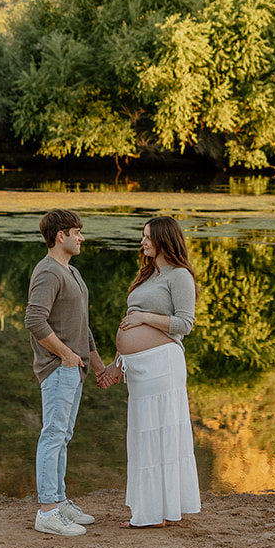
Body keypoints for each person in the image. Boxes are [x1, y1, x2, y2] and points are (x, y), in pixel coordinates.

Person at [100, 215, 201, 528]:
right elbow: (130, 322)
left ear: (163, 240)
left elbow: (184, 324)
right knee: (143, 437)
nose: (142, 242)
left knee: (161, 436)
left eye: (147, 237)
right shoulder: (147, 276)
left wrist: (145, 317)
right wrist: (117, 364)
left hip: (164, 365)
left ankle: (161, 511)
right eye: (142, 236)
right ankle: (150, 510)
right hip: (139, 370)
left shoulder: (179, 275)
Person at [25, 208, 117, 536]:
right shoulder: (49, 271)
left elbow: (83, 328)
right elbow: (34, 320)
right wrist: (65, 354)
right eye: (76, 232)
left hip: (74, 370)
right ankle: (47, 511)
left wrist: (99, 367)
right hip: (58, 368)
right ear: (60, 236)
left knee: (63, 436)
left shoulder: (73, 273)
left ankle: (60, 501)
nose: (81, 237)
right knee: (53, 435)